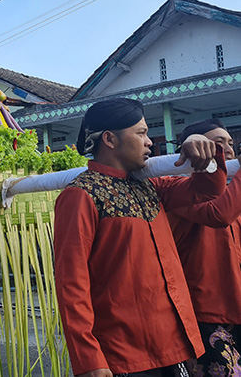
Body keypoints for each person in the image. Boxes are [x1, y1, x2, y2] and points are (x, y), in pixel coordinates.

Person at [54, 98, 227, 377]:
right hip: (123, 353)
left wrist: (198, 145)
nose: (149, 142)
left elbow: (208, 190)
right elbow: (71, 284)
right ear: (109, 139)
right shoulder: (79, 195)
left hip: (173, 342)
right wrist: (88, 358)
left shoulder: (152, 186)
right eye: (141, 133)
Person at [166, 119, 241, 377]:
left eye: (230, 144)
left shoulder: (235, 191)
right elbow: (219, 214)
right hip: (205, 311)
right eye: (216, 145)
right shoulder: (179, 189)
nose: (227, 151)